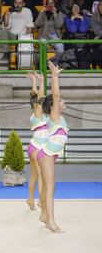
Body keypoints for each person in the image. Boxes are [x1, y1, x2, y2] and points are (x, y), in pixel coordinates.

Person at [37, 61, 69, 233]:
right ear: (54, 106)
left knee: (51, 187)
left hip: (50, 155)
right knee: (49, 188)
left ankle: (44, 214)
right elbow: (55, 96)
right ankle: (51, 222)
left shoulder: (60, 118)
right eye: (61, 101)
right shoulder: (55, 116)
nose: (63, 102)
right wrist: (54, 76)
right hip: (47, 154)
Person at [25, 71, 46, 211]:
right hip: (38, 147)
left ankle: (30, 199)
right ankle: (42, 202)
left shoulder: (35, 114)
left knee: (34, 175)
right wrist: (42, 82)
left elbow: (35, 95)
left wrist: (34, 81)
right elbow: (40, 96)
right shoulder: (38, 113)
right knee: (42, 177)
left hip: (33, 146)